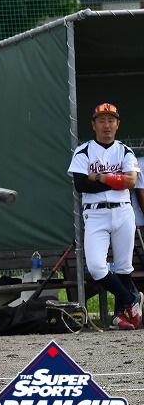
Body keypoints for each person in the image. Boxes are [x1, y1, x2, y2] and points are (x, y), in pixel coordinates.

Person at [68, 102, 142, 330]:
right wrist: (116, 180)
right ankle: (132, 299)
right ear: (94, 125)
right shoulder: (84, 151)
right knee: (97, 267)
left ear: (117, 124)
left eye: (111, 120)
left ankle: (119, 317)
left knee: (124, 267)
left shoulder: (125, 150)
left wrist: (100, 177)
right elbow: (81, 184)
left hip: (123, 210)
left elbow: (130, 182)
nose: (106, 125)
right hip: (95, 213)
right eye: (102, 121)